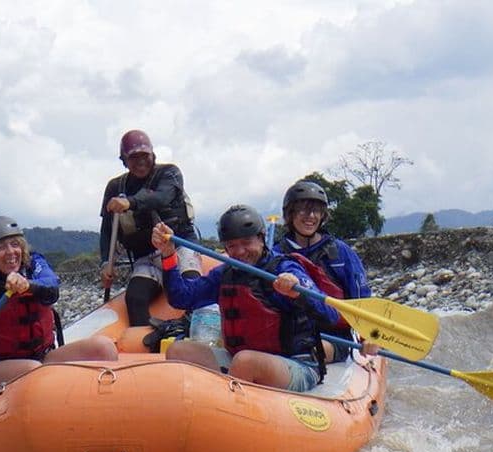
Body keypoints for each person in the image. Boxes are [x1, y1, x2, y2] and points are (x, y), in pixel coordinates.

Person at [151, 204, 378, 393]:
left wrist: (297, 292)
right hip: (241, 359)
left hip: (298, 365)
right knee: (179, 351)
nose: (240, 252)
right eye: (232, 246)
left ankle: (231, 406)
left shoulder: (285, 268)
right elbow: (181, 298)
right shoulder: (225, 274)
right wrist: (169, 254)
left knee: (245, 362)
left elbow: (329, 314)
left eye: (246, 243)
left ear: (261, 239)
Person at [0, 216, 117, 402]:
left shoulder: (34, 265)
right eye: (1, 247)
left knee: (104, 347)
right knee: (33, 370)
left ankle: (104, 406)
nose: (10, 252)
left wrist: (28, 285)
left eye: (15, 244)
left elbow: (51, 287)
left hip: (43, 357)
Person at [99, 129, 201, 327]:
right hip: (147, 256)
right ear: (124, 160)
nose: (140, 162)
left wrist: (130, 202)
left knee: (191, 289)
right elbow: (107, 230)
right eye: (133, 157)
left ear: (153, 155)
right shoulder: (115, 187)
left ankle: (194, 333)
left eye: (144, 156)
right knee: (135, 299)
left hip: (181, 247)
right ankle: (147, 340)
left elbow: (161, 198)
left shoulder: (170, 173)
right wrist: (105, 263)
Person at [273, 179, 372, 364]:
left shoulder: (340, 252)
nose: (311, 216)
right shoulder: (276, 253)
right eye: (303, 210)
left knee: (310, 351)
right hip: (290, 334)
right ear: (290, 214)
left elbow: (362, 297)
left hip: (333, 336)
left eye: (316, 211)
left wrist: (368, 336)